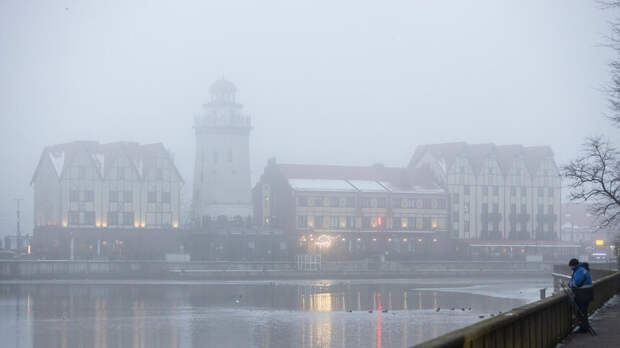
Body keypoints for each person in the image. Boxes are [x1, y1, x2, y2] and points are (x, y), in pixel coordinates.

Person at [568, 258, 593, 333]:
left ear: (574, 265)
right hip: (588, 293)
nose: (571, 268)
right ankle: (585, 326)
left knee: (581, 311)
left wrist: (569, 284)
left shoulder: (579, 271)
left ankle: (584, 328)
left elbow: (576, 283)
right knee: (584, 311)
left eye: (571, 266)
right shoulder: (583, 269)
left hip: (583, 294)